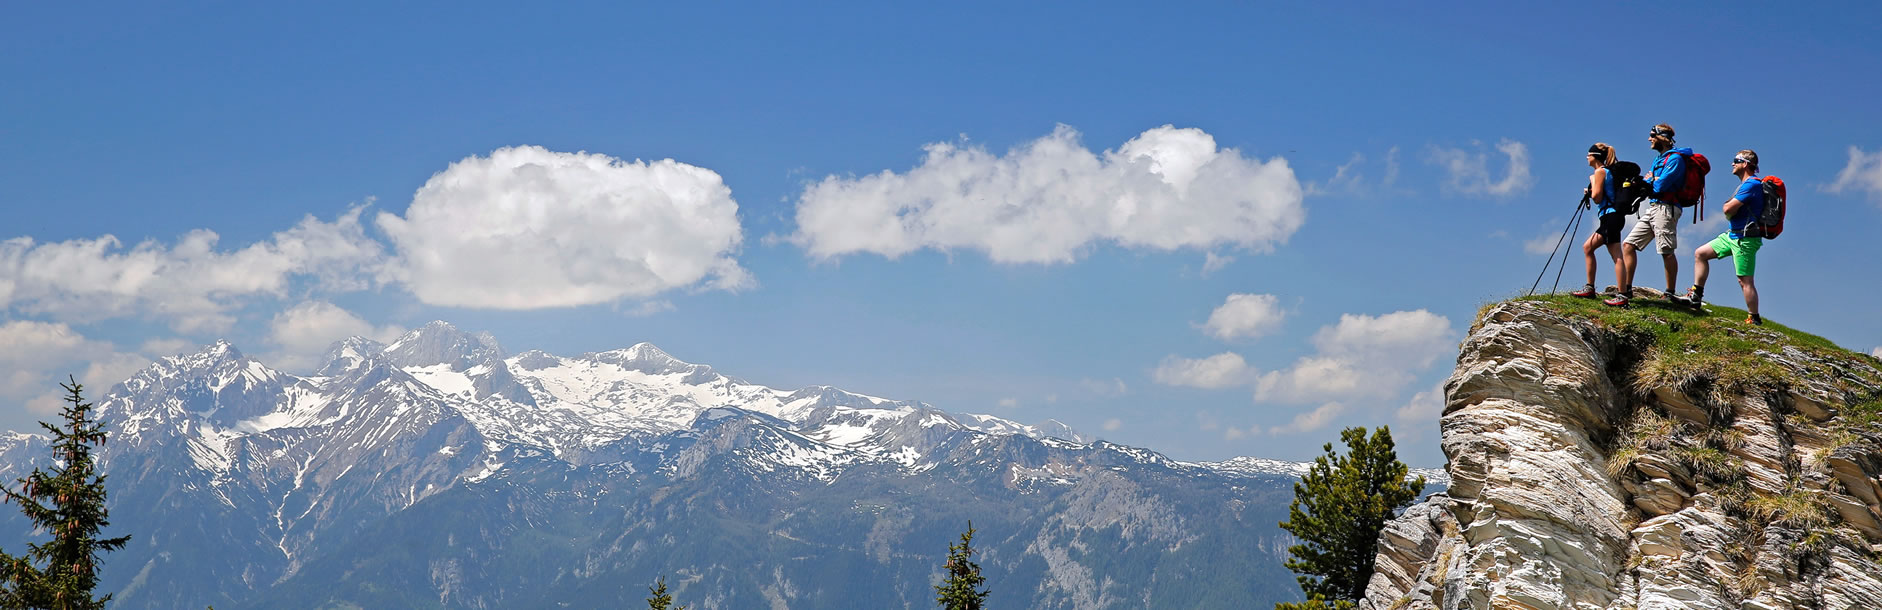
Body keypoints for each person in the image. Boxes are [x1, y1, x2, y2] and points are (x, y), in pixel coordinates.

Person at [1680, 149, 1766, 324]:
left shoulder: (1752, 184)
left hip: (1745, 239)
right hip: (1732, 235)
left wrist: (1728, 208)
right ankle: (1696, 296)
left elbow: (1727, 209)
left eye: (1736, 160)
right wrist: (1729, 209)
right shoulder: (1745, 185)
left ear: (1746, 164)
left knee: (1745, 280)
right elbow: (1729, 210)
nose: (1732, 164)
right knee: (1700, 253)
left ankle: (1754, 318)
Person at [1606, 124, 1685, 307]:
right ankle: (1626, 289)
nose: (1649, 139)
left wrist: (1652, 181)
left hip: (1667, 208)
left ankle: (1670, 293)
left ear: (1662, 137)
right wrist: (1649, 181)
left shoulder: (1675, 160)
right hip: (1654, 207)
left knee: (1666, 250)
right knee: (1628, 245)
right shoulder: (1660, 159)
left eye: (1652, 135)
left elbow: (1660, 185)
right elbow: (1650, 181)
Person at [1571, 143, 1625, 298]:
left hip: (1610, 216)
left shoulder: (1600, 172)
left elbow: (1597, 198)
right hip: (1614, 217)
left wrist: (1593, 181)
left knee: (1589, 248)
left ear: (1595, 156)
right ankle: (1622, 293)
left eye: (1589, 154)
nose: (1587, 157)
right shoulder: (1607, 172)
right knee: (1616, 255)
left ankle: (1591, 289)